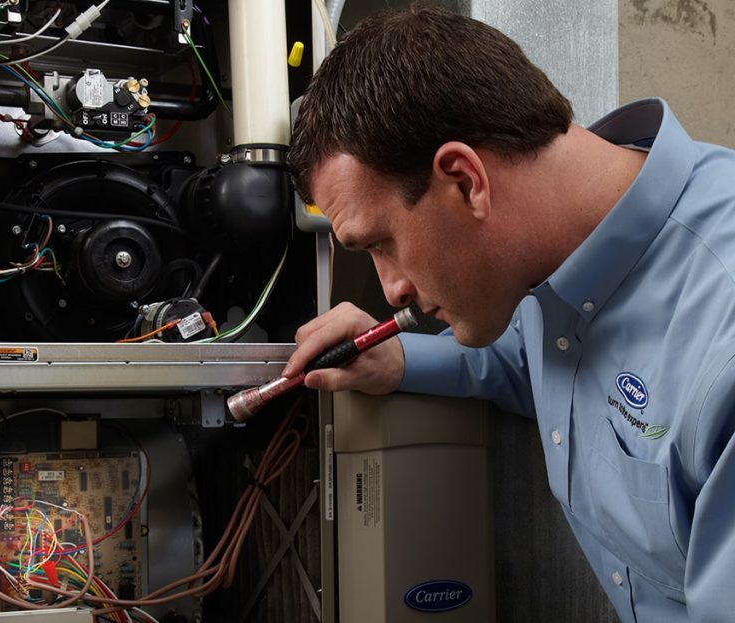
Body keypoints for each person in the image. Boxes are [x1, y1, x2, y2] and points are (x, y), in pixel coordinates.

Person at [283, 6, 735, 623]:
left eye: (381, 243)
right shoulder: (561, 268)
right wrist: (396, 358)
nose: (389, 291)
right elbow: (537, 358)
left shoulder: (721, 334)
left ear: (465, 181)